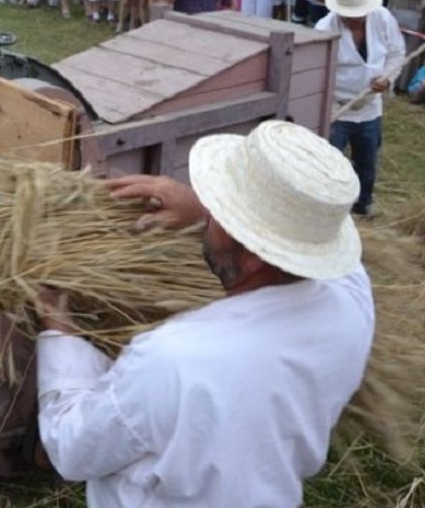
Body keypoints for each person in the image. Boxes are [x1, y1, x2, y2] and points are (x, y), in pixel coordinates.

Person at [36, 119, 374, 508]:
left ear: (250, 255)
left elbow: (73, 448)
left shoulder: (177, 360)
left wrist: (56, 322)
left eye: (218, 212)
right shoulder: (351, 305)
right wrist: (202, 212)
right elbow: (346, 265)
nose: (209, 211)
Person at [316, 0, 405, 216]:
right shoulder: (324, 29)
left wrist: (387, 79)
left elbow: (397, 54)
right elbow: (316, 72)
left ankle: (363, 203)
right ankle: (326, 207)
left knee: (367, 162)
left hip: (370, 108)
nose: (354, 17)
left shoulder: (382, 17)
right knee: (328, 162)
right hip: (336, 107)